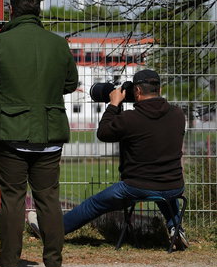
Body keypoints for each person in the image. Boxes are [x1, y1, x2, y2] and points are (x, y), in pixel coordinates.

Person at [0, 0, 78, 267]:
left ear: (12, 9)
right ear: (38, 8)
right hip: (49, 129)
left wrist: (4, 92)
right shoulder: (59, 45)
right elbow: (69, 84)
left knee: (13, 197)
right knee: (48, 199)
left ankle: (7, 264)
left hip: (9, 130)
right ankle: (54, 264)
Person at [48, 69, 188, 249]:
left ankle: (53, 231)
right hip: (174, 186)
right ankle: (175, 228)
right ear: (158, 89)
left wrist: (113, 105)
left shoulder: (130, 118)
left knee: (94, 204)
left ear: (137, 91)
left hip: (136, 186)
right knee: (163, 191)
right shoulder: (177, 114)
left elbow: (104, 133)